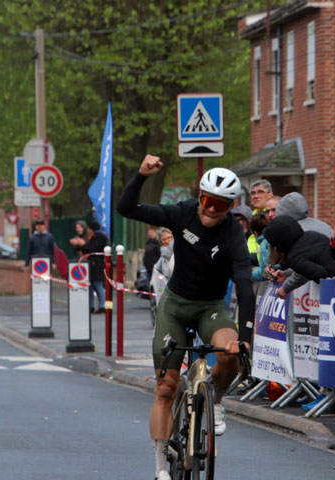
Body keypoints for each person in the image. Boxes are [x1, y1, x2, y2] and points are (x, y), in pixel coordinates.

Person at [116, 155, 255, 480]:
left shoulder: (233, 233)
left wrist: (245, 337)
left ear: (230, 206)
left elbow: (246, 287)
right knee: (165, 388)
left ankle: (216, 400)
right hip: (175, 305)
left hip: (211, 307)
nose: (211, 209)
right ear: (200, 197)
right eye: (208, 201)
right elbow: (127, 208)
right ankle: (161, 466)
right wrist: (140, 175)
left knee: (229, 353)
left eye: (220, 205)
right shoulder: (182, 212)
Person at [73, 221, 109, 314]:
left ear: (91, 229)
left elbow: (91, 248)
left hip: (97, 265)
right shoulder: (95, 237)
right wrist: (80, 245)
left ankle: (102, 306)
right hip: (92, 265)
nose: (88, 231)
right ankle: (91, 306)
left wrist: (82, 244)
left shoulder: (99, 238)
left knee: (98, 284)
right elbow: (87, 248)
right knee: (91, 286)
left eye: (89, 229)